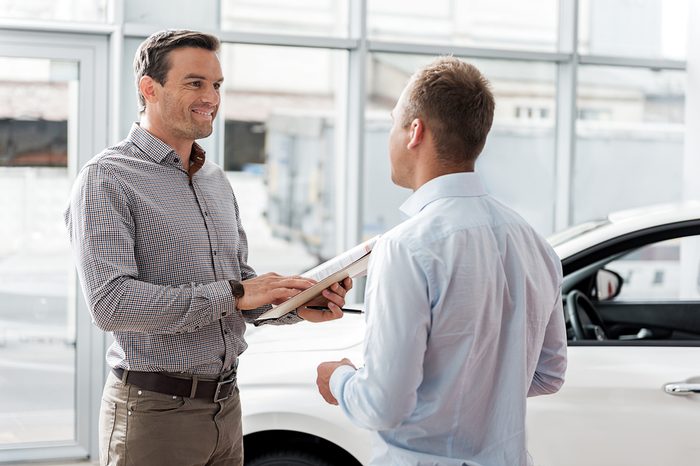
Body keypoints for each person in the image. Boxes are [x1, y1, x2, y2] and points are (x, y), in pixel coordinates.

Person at [65, 29, 350, 466]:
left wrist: (296, 303)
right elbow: (111, 304)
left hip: (228, 407)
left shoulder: (215, 180)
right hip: (154, 413)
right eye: (195, 83)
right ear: (149, 88)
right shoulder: (107, 178)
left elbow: (238, 289)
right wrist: (236, 293)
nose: (211, 98)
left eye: (216, 85)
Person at [316, 56, 567, 466]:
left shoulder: (407, 247)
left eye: (394, 122)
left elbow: (382, 405)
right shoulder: (535, 243)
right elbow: (549, 374)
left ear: (415, 131)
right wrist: (479, 381)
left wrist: (339, 378)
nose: (391, 136)